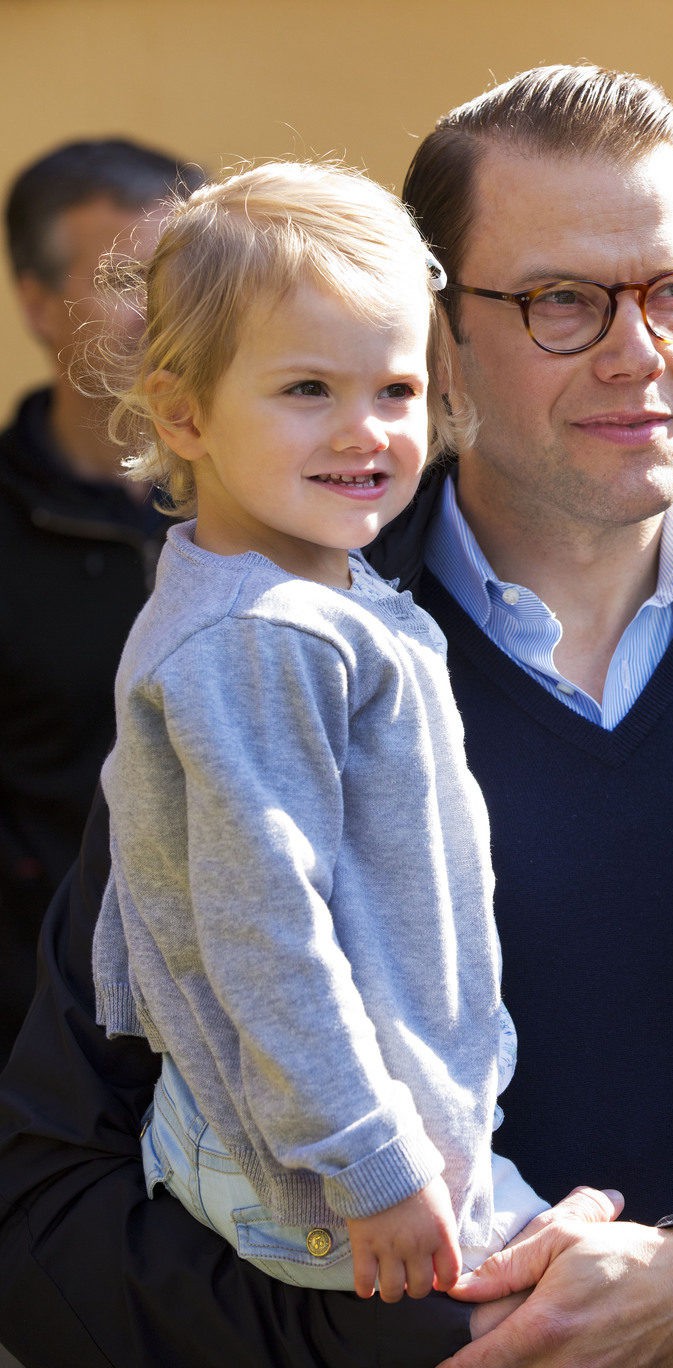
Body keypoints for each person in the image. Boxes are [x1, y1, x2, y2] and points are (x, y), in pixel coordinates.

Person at [1, 62, 673, 1368]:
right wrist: (420, 1346)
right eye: (565, 301)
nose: (643, 351)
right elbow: (46, 1198)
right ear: (439, 338)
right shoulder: (258, 677)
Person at [89, 157, 547, 1305]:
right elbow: (262, 926)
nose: (364, 432)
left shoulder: (270, 593)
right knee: (569, 1320)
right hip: (322, 1176)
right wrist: (370, 1165)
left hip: (335, 1138)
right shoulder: (263, 636)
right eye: (306, 390)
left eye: (395, 390)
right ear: (183, 412)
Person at [0, 139, 205, 1067]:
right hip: (44, 1049)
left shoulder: (306, 506)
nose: (167, 312)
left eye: (190, 273)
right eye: (129, 278)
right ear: (37, 303)